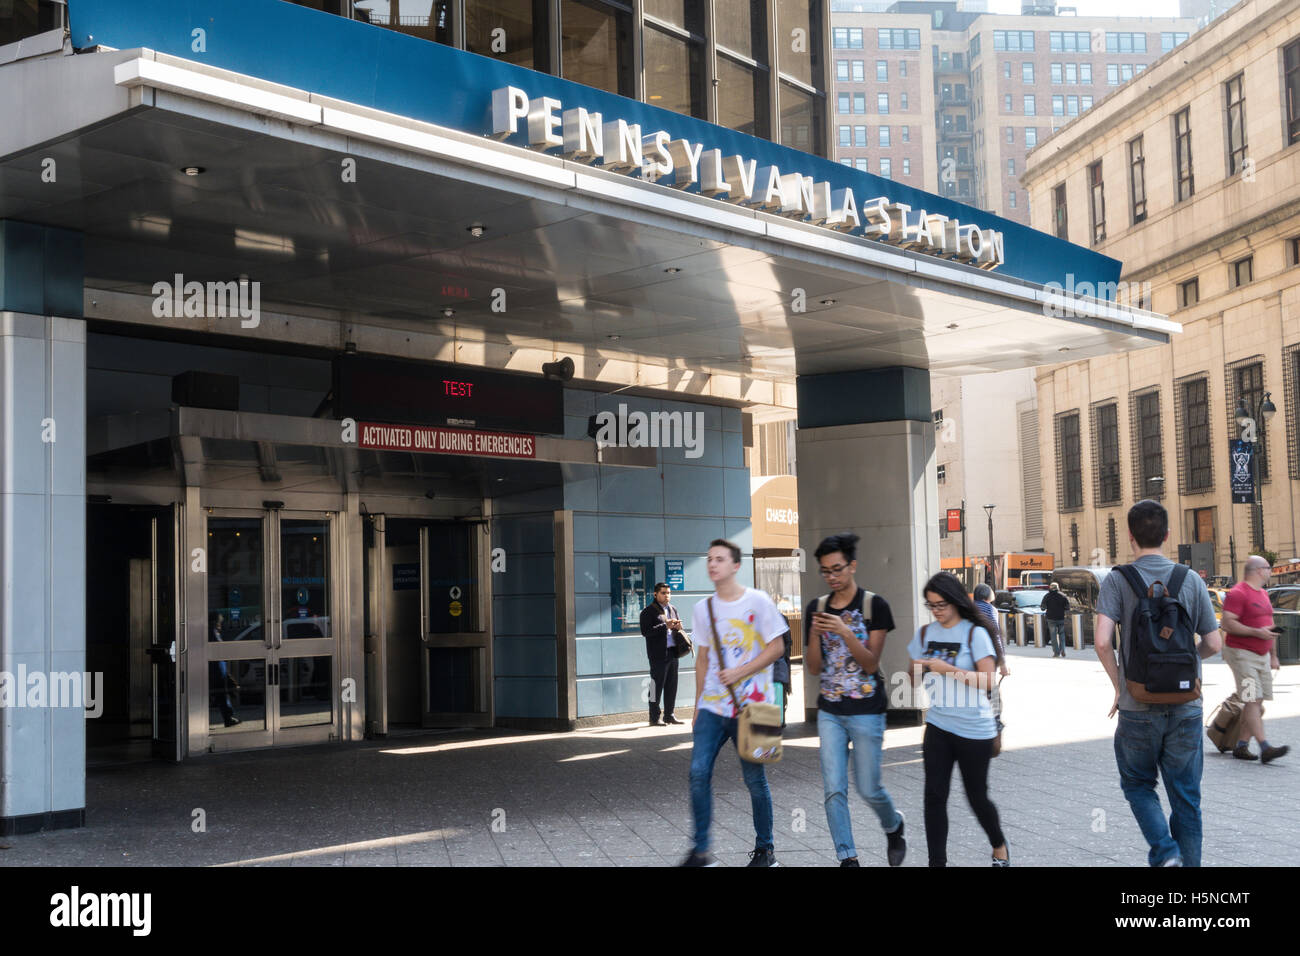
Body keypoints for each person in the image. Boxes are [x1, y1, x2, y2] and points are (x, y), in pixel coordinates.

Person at [1094, 499, 1221, 867]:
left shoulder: (1118, 580)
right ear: (1167, 535)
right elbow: (1213, 643)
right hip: (1186, 706)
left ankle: (1165, 851)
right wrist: (1185, 662)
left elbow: (1102, 642)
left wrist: (1120, 687)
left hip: (1137, 707)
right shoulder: (1191, 579)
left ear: (1130, 537)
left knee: (1137, 784)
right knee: (1186, 797)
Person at [682, 539, 789, 867]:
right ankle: (701, 850)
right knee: (698, 772)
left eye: (720, 559)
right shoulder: (703, 608)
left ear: (735, 565)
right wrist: (698, 705)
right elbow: (702, 659)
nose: (712, 564)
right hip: (714, 706)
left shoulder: (758, 601)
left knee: (754, 780)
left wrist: (741, 671)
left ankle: (765, 850)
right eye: (709, 559)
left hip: (753, 706)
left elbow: (777, 648)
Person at [805, 533, 906, 867]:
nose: (832, 576)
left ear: (852, 566)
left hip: (866, 710)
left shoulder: (874, 606)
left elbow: (870, 664)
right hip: (830, 711)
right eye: (825, 571)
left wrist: (846, 631)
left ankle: (893, 826)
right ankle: (848, 858)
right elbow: (815, 668)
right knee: (833, 788)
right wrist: (817, 636)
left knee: (868, 787)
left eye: (837, 569)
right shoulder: (816, 609)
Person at [908, 572, 1009, 868]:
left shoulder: (974, 633)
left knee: (977, 797)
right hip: (938, 725)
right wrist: (916, 667)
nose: (937, 611)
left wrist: (946, 668)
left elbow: (988, 680)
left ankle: (998, 845)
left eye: (941, 604)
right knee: (934, 797)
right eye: (931, 605)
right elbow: (913, 678)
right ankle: (936, 862)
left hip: (974, 729)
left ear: (954, 600)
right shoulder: (925, 634)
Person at [1220, 556, 1289, 763]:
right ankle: (1264, 747)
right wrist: (1255, 633)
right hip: (1242, 655)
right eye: (1268, 568)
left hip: (1262, 656)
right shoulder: (1238, 593)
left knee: (1257, 702)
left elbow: (1270, 625)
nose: (1270, 571)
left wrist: (1273, 655)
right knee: (1251, 699)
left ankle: (1241, 745)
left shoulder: (1263, 594)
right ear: (1258, 570)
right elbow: (1227, 623)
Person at [640, 583, 686, 726]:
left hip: (673, 652)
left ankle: (669, 715)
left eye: (668, 593)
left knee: (672, 685)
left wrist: (678, 627)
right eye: (663, 593)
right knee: (655, 686)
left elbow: (678, 630)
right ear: (655, 594)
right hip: (657, 654)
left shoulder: (673, 609)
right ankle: (654, 717)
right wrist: (665, 626)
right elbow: (645, 632)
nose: (667, 596)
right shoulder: (648, 612)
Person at [1042, 582, 1071, 658]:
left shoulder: (1047, 596)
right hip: (1060, 618)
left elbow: (1042, 607)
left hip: (1051, 618)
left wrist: (1047, 607)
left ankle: (1056, 652)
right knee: (1062, 634)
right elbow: (1068, 607)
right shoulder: (1063, 596)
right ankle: (1063, 650)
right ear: (1058, 588)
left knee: (1053, 636)